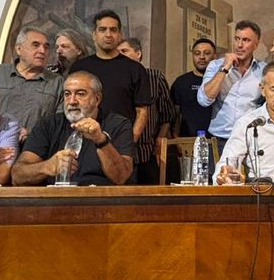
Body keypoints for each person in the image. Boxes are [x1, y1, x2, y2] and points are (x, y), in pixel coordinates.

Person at [12, 71, 135, 186]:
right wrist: (47, 167)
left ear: (97, 99)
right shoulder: (48, 125)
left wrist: (101, 140)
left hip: (100, 197)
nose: (72, 101)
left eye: (80, 94)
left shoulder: (119, 124)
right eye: (67, 94)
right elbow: (17, 176)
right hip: (54, 198)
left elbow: (121, 177)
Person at [70, 11, 150, 159]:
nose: (108, 34)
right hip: (84, 144)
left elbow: (142, 111)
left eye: (113, 30)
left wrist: (130, 142)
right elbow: (71, 106)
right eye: (102, 29)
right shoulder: (79, 68)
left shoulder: (135, 69)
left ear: (120, 35)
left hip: (121, 145)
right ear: (94, 35)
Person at [0, 26, 64, 139]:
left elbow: (59, 122)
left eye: (46, 47)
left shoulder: (57, 83)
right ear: (19, 49)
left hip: (34, 146)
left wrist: (31, 134)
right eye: (35, 45)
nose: (42, 51)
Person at [117, 37, 178, 184]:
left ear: (138, 53)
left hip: (148, 150)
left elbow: (167, 113)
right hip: (121, 151)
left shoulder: (154, 77)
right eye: (118, 52)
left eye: (124, 51)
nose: (120, 56)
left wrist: (160, 138)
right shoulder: (115, 79)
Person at [198, 20, 265, 151]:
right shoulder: (216, 65)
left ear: (256, 45)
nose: (239, 45)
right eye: (237, 39)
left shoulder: (263, 70)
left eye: (246, 40)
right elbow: (203, 100)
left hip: (251, 140)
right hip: (220, 140)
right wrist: (225, 68)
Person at [170, 38, 216, 138]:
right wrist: (176, 139)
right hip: (187, 140)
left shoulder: (220, 81)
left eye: (207, 53)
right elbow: (175, 114)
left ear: (214, 56)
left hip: (218, 140)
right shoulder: (181, 82)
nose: (202, 57)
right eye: (197, 53)